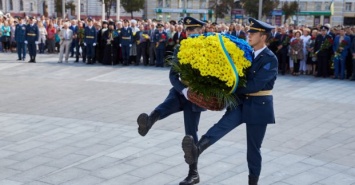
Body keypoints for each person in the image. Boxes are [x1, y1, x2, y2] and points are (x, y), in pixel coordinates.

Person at [181, 17, 278, 185]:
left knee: (253, 149)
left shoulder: (270, 59)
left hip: (259, 106)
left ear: (263, 36)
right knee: (220, 127)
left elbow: (255, 85)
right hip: (241, 103)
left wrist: (227, 89)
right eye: (249, 31)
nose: (249, 34)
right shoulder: (246, 52)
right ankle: (196, 149)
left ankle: (252, 182)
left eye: (253, 32)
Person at [137, 17, 206, 185]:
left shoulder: (209, 48)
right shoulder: (180, 48)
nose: (190, 33)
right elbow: (173, 75)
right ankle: (149, 121)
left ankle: (193, 174)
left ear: (201, 31)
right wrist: (183, 90)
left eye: (193, 30)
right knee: (167, 104)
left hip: (196, 97)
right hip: (181, 91)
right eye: (188, 30)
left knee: (190, 136)